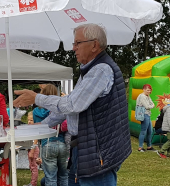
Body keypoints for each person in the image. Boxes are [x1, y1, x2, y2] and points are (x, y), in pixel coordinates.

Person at [13, 23, 131, 186]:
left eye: (77, 43)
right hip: (88, 149)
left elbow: (72, 105)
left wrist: (37, 98)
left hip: (97, 152)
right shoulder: (91, 70)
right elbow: (68, 109)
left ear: (94, 45)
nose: (73, 48)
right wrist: (35, 128)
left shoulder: (100, 70)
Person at [34, 84, 69, 186]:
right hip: (62, 143)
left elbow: (38, 129)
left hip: (47, 144)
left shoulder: (36, 111)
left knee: (50, 178)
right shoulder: (59, 109)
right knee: (64, 176)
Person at [136, 84, 156, 152]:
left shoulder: (148, 96)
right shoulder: (142, 96)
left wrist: (151, 105)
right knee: (143, 131)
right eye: (147, 90)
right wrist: (152, 106)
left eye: (150, 90)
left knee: (150, 131)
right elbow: (147, 106)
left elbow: (152, 103)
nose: (149, 91)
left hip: (148, 114)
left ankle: (149, 146)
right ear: (144, 89)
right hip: (144, 115)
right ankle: (140, 147)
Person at [23, 111, 40, 186]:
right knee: (31, 166)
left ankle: (33, 183)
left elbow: (35, 139)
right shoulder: (30, 128)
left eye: (31, 120)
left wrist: (32, 151)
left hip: (34, 148)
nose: (29, 122)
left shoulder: (35, 128)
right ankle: (32, 182)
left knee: (34, 167)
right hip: (30, 148)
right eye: (28, 120)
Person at [157, 94, 170, 158]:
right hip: (168, 127)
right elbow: (169, 119)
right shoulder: (169, 109)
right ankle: (161, 151)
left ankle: (168, 153)